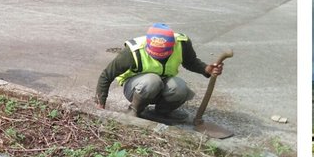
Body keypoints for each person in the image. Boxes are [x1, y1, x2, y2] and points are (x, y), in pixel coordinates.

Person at [95, 23, 225, 119]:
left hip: (163, 83)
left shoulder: (182, 43)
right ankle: (135, 110)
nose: (160, 57)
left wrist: (206, 69)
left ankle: (161, 112)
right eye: (155, 55)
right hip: (137, 88)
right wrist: (100, 105)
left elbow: (190, 62)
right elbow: (106, 76)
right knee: (152, 81)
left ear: (172, 45)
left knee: (180, 87)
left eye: (164, 54)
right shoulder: (133, 51)